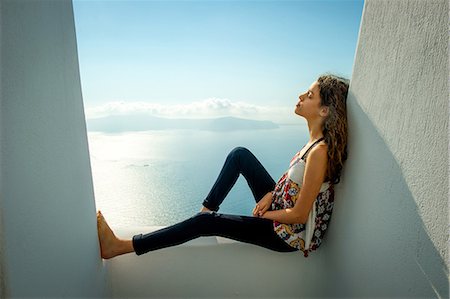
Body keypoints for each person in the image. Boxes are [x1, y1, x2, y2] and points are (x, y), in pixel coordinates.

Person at [97, 74, 349, 259]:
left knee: (205, 224)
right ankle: (205, 210)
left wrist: (264, 214)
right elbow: (296, 185)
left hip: (287, 234)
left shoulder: (320, 152)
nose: (301, 96)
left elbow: (299, 215)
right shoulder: (313, 143)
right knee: (239, 155)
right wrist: (272, 194)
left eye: (310, 96)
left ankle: (122, 246)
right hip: (281, 207)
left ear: (324, 110)